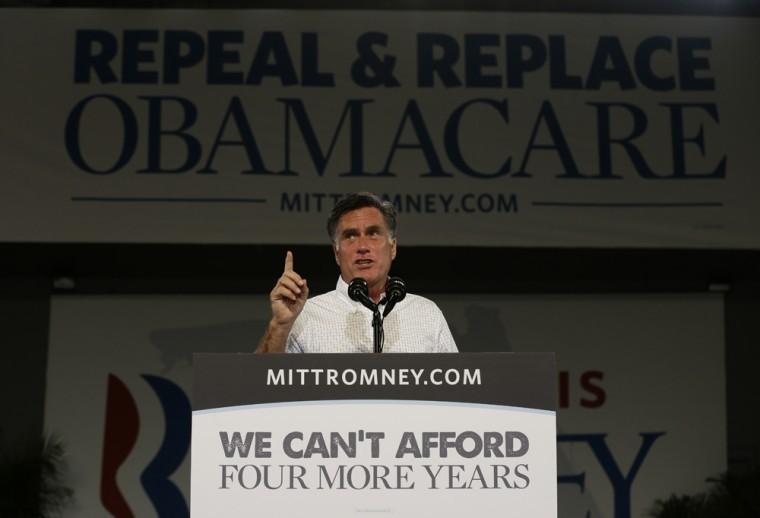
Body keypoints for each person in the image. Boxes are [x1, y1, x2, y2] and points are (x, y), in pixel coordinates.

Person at [256, 192, 458, 353]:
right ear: (336, 253)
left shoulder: (426, 314)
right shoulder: (305, 316)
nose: (362, 246)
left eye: (373, 233)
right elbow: (257, 387)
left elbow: (457, 390)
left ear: (393, 247)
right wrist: (280, 325)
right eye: (350, 236)